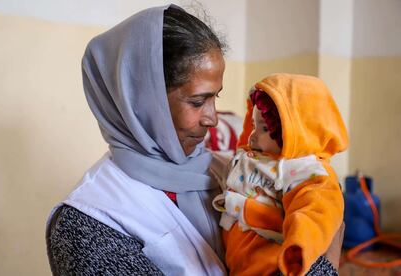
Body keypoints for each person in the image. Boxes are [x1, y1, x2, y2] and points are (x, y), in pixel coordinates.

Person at [46, 5, 343, 275]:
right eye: (198, 102)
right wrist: (325, 260)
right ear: (143, 102)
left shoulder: (225, 171)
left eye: (216, 97)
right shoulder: (89, 223)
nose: (213, 118)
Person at [213, 74, 348, 275]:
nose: (253, 135)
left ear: (296, 132)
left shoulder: (308, 172)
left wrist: (299, 246)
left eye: (265, 128)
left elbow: (316, 212)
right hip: (237, 263)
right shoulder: (254, 155)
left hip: (273, 266)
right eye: (253, 124)